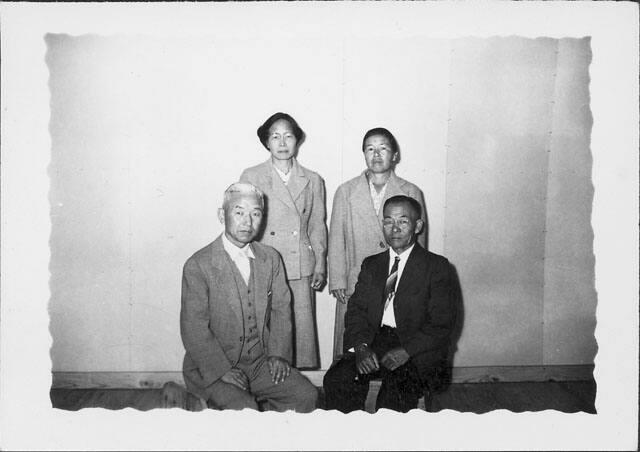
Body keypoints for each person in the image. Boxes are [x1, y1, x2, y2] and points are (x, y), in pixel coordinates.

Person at [180, 182, 318, 412]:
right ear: (222, 215)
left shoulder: (271, 258)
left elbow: (281, 310)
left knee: (306, 395)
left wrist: (278, 355)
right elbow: (193, 328)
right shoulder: (199, 265)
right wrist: (221, 370)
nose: (247, 221)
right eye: (239, 212)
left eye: (256, 214)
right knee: (245, 409)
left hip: (259, 364)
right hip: (213, 368)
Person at [323, 195, 455, 413]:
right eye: (388, 221)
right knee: (338, 379)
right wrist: (361, 347)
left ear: (417, 226)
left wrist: (407, 351)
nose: (395, 229)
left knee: (395, 395)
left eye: (403, 221)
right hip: (376, 340)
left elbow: (442, 323)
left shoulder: (436, 266)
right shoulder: (372, 264)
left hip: (418, 348)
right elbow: (356, 311)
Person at [328, 127, 427, 360]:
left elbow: (420, 240)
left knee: (394, 339)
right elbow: (336, 237)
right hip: (357, 278)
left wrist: (418, 279)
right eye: (370, 149)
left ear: (394, 155)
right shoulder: (346, 191)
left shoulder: (411, 191)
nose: (376, 154)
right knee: (354, 343)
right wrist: (338, 278)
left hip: (398, 275)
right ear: (363, 154)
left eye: (383, 148)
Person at [240, 112, 327, 369]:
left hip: (300, 266)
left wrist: (320, 264)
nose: (282, 142)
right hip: (264, 263)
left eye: (288, 136)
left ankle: (298, 385)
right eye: (275, 136)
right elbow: (244, 225)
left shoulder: (313, 179)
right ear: (266, 142)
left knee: (300, 331)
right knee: (265, 327)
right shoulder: (251, 176)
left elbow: (317, 225)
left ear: (297, 141)